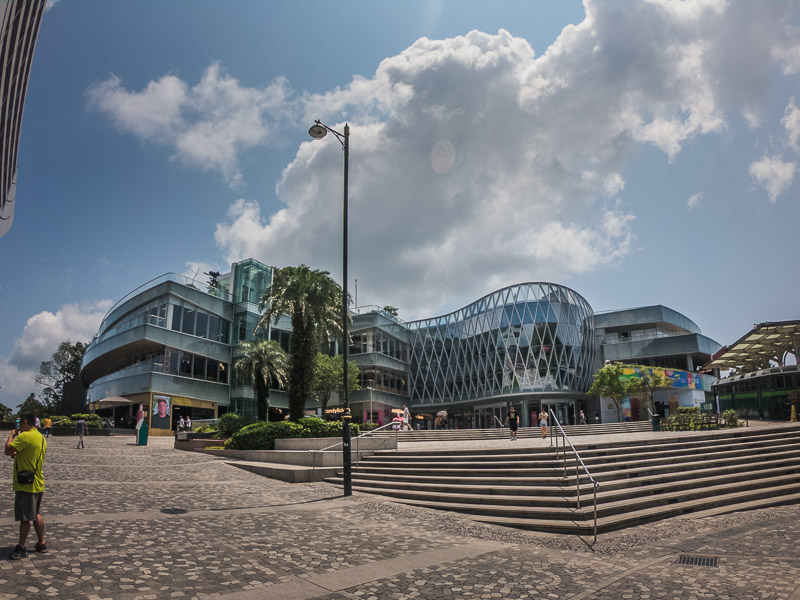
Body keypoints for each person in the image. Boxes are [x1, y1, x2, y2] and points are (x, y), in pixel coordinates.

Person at [5, 413, 47, 559]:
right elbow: (30, 454)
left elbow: (7, 450)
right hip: (38, 481)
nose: (19, 426)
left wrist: (12, 435)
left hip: (26, 484)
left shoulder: (24, 436)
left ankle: (21, 546)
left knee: (25, 517)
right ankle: (41, 542)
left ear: (24, 422)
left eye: (20, 423)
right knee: (35, 513)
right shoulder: (40, 437)